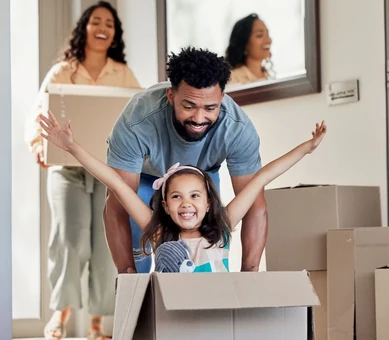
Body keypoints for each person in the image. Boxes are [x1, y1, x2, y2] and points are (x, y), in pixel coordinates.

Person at [39, 110, 327, 271]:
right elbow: (116, 183)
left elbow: (261, 177)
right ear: (164, 205)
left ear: (207, 203)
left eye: (195, 196)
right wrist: (72, 147)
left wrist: (307, 148)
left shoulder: (222, 229)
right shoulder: (160, 234)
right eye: (176, 196)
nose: (186, 204)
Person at [24, 1, 140, 339]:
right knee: (70, 240)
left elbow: (140, 115)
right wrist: (37, 145)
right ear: (84, 29)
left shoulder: (123, 74)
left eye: (109, 23)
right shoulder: (63, 70)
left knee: (106, 246)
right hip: (66, 169)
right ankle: (61, 313)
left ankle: (96, 323)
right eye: (95, 22)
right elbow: (37, 113)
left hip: (106, 170)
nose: (103, 27)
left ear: (115, 33)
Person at [103, 47, 268, 276]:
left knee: (205, 248)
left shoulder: (237, 129)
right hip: (146, 177)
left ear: (222, 97)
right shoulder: (137, 121)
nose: (199, 118)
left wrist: (250, 274)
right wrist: (126, 274)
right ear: (171, 96)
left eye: (210, 108)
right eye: (189, 106)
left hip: (203, 175)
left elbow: (255, 205)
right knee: (136, 265)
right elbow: (117, 204)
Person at [225, 13, 274, 85]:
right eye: (259, 35)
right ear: (244, 43)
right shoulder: (232, 79)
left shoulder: (267, 75)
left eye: (267, 34)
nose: (268, 40)